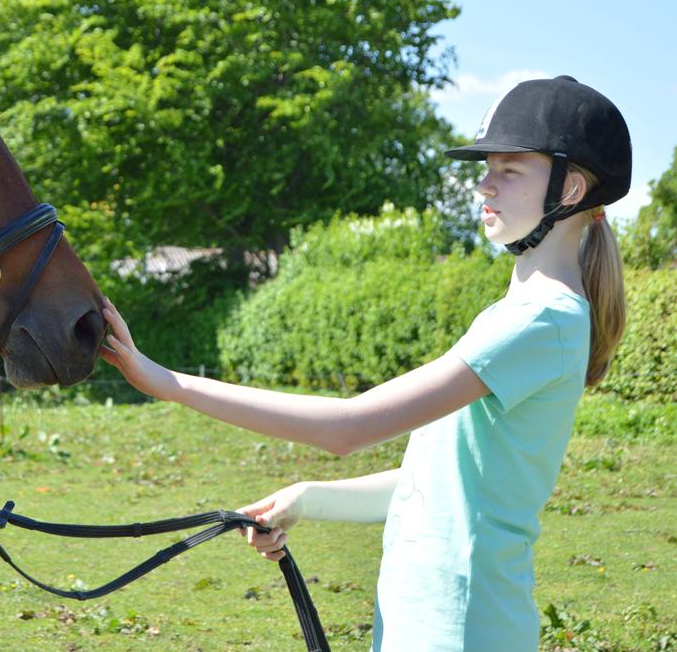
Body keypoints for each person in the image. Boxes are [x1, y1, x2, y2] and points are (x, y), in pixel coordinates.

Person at [98, 75, 632, 651]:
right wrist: (309, 496)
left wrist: (170, 383)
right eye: (486, 169)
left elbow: (348, 428)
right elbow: (439, 485)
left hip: (460, 629)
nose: (483, 185)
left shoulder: (540, 319)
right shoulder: (521, 313)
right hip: (430, 622)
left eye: (509, 170)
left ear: (570, 188)